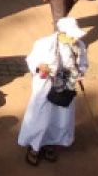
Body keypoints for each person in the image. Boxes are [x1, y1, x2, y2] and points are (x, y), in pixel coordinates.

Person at [19, 17, 89, 165]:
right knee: (41, 119)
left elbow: (83, 64)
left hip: (66, 88)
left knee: (60, 119)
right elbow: (32, 61)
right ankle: (35, 147)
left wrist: (78, 74)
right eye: (71, 35)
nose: (74, 38)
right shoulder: (43, 43)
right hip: (45, 88)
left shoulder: (80, 45)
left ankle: (51, 143)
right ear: (61, 33)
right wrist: (40, 67)